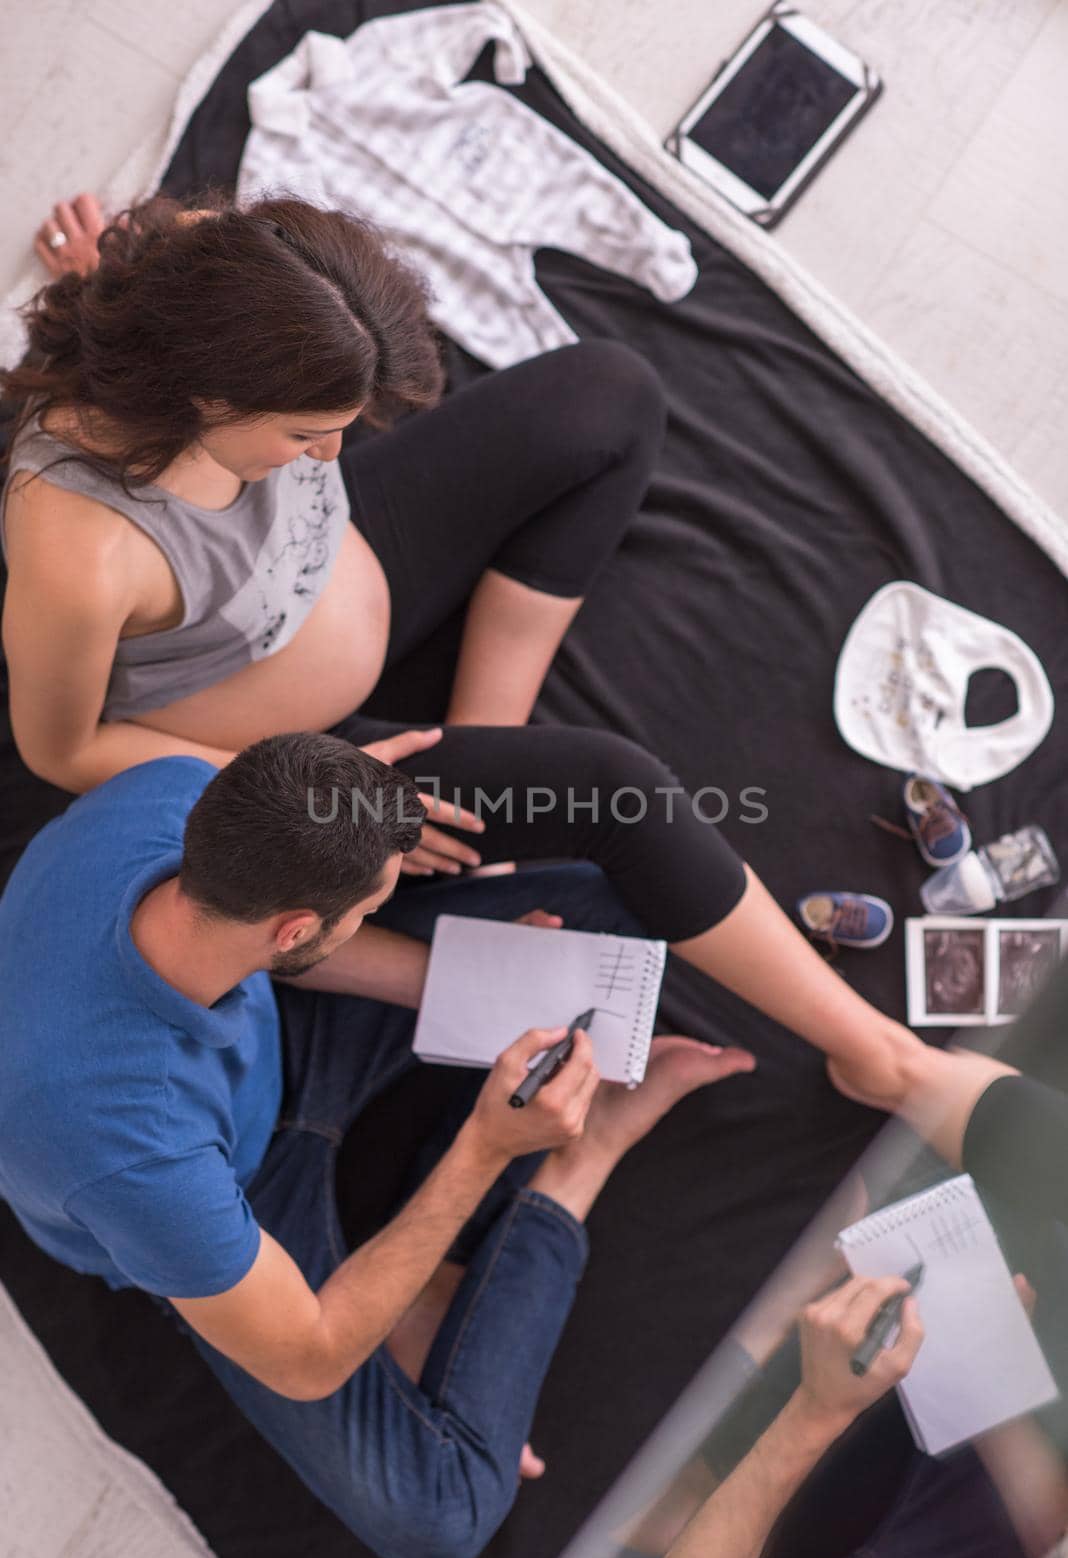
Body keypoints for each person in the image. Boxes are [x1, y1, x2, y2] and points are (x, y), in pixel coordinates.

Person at [0, 190, 941, 1100]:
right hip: (283, 744)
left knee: (611, 391)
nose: (332, 456)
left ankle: (482, 750)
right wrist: (330, 800)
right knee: (618, 789)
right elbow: (62, 749)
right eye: (306, 434)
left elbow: (163, 288)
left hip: (342, 564)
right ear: (201, 394)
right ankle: (882, 1058)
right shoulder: (79, 551)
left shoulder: (200, 268)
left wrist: (102, 279)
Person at [0, 730, 761, 1558]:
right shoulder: (134, 1155)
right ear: (295, 928)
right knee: (439, 1513)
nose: (374, 912)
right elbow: (310, 1357)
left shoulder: (174, 792)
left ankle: (433, 1266)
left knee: (593, 923)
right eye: (367, 907)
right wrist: (486, 1145)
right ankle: (579, 1163)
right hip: (232, 1191)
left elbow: (263, 944)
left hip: (271, 1033)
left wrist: (473, 982)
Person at [594, 1278, 1061, 1558]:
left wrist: (816, 1413)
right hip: (974, 1532)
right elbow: (1051, 1537)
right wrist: (992, 1396)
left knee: (649, 1525)